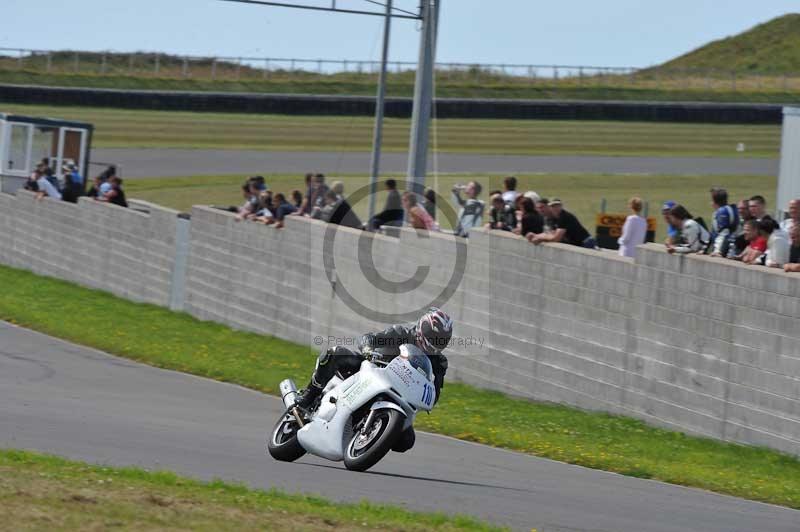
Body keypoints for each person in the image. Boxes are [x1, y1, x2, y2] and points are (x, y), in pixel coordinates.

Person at [292, 308, 453, 451]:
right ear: (422, 328)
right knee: (335, 354)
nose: (436, 341)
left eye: (441, 339)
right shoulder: (401, 333)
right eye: (433, 336)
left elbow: (434, 391)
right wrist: (369, 350)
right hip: (372, 369)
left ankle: (372, 435)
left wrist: (428, 399)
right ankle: (308, 396)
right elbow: (369, 339)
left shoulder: (439, 363)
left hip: (401, 395)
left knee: (406, 440)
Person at [528, 198, 596, 249]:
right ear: (549, 207)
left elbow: (556, 238)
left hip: (586, 242)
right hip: (578, 243)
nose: (555, 208)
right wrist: (536, 235)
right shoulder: (550, 218)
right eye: (553, 206)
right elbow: (550, 233)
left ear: (561, 206)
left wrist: (540, 239)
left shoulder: (563, 216)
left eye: (557, 205)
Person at [709, 187, 739, 257]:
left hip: (726, 249)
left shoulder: (723, 211)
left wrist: (718, 251)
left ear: (714, 201)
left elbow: (724, 232)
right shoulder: (726, 209)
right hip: (726, 247)